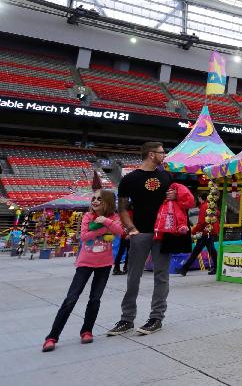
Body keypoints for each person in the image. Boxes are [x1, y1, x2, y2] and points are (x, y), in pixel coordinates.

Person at [107, 142, 177, 337]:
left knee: (161, 276)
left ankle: (156, 318)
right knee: (133, 276)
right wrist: (131, 228)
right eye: (162, 152)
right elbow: (122, 208)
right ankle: (127, 319)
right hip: (140, 232)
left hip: (163, 232)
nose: (165, 155)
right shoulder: (129, 179)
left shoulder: (167, 176)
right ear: (151, 154)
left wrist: (175, 195)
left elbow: (177, 201)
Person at [43, 189, 126, 352]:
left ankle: (87, 331)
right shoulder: (88, 217)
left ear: (107, 202)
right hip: (85, 263)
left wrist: (106, 222)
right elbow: (84, 237)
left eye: (99, 199)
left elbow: (121, 232)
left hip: (104, 264)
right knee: (71, 299)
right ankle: (52, 336)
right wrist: (104, 229)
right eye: (93, 198)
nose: (94, 201)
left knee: (95, 299)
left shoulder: (114, 218)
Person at [179, 192, 219, 276]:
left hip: (206, 231)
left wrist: (193, 231)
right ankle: (184, 269)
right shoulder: (211, 205)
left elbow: (201, 222)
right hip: (211, 230)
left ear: (200, 198)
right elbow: (217, 214)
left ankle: (184, 269)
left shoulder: (203, 207)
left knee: (200, 250)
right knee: (208, 250)